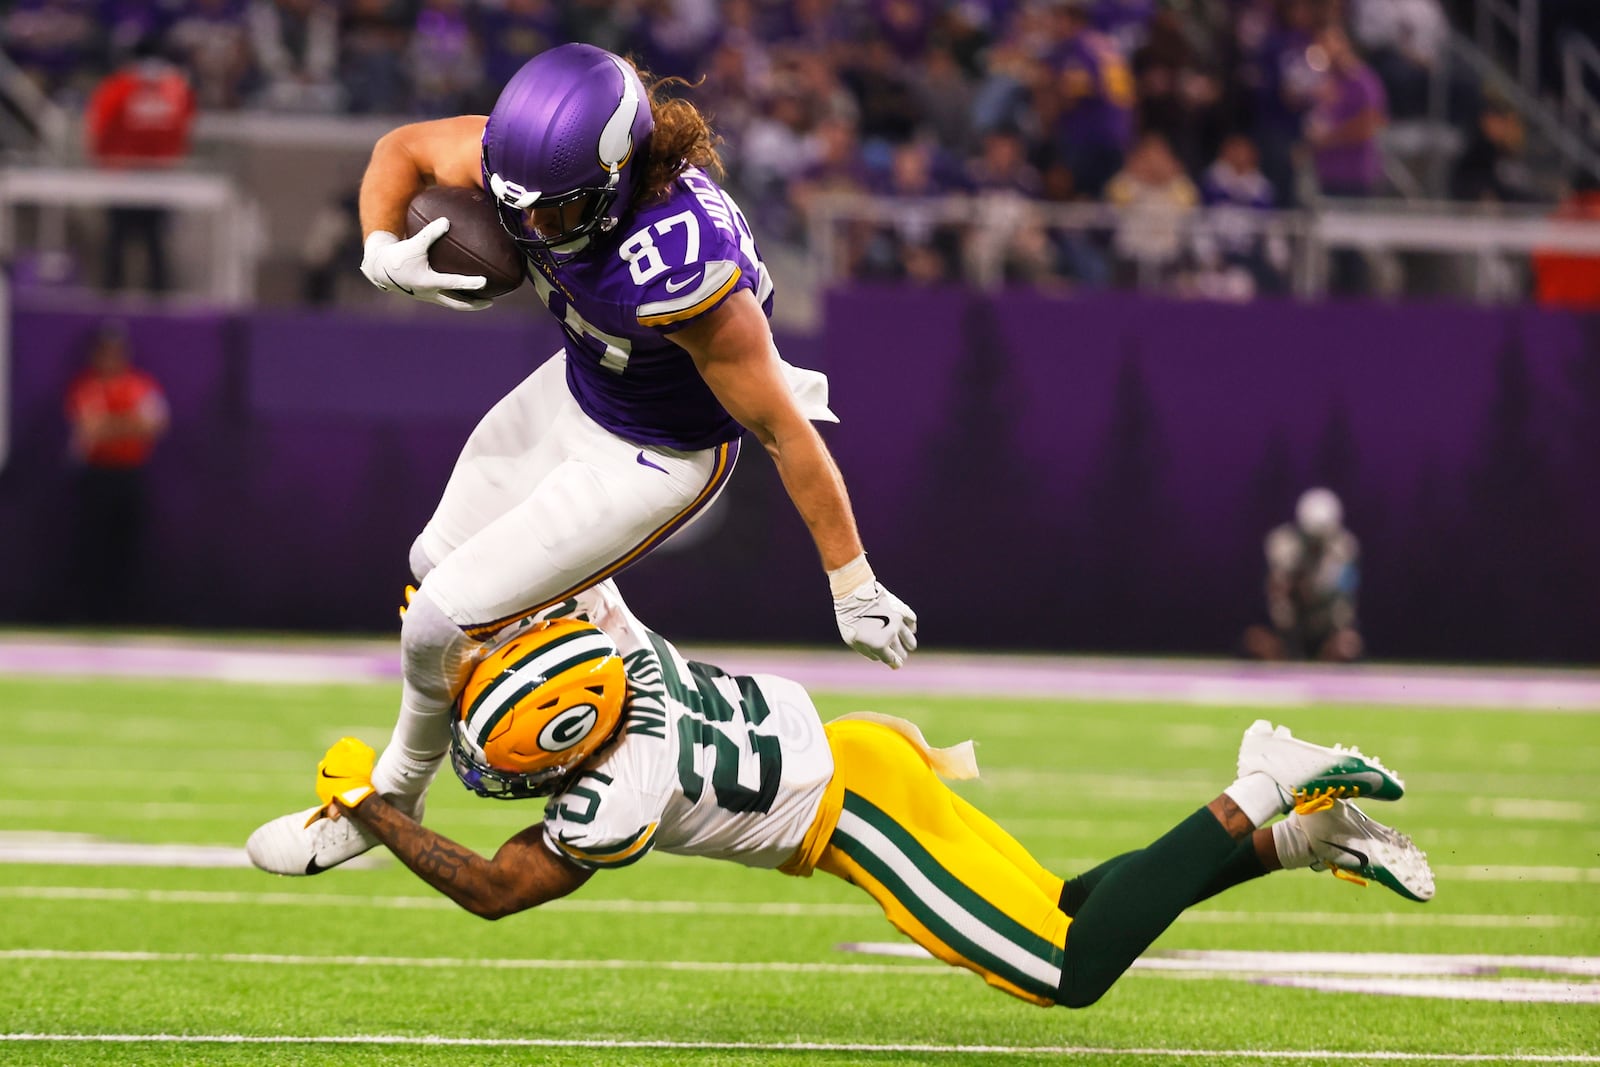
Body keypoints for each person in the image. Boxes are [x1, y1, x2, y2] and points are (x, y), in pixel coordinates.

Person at [247, 43, 916, 878]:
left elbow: (785, 430)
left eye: (554, 214)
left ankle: (393, 798)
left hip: (657, 454)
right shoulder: (531, 162)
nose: (526, 229)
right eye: (512, 203)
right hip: (580, 387)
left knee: (439, 619)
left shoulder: (681, 261)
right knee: (432, 568)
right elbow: (403, 150)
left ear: (615, 178)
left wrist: (851, 580)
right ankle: (588, 643)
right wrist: (380, 247)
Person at [277, 580, 1433, 1011]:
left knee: (1061, 971)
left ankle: (1258, 777)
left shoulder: (617, 789)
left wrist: (378, 808)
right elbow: (521, 575)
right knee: (1065, 906)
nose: (502, 767)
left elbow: (491, 890)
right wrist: (452, 620)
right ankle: (1293, 835)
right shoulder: (606, 628)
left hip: (851, 815)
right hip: (856, 751)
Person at [63, 322, 170, 621]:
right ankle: (91, 614)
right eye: (105, 353)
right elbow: (89, 429)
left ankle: (128, 614)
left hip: (129, 474)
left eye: (115, 352)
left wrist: (112, 425)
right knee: (93, 545)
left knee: (128, 546)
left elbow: (154, 426)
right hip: (97, 475)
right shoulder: (87, 387)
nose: (110, 359)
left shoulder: (139, 385)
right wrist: (129, 424)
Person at [84, 35, 197, 294]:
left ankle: (136, 292)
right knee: (135, 237)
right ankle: (135, 291)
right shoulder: (174, 87)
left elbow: (97, 128)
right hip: (136, 173)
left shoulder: (125, 85)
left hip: (138, 173)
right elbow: (185, 131)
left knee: (140, 237)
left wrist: (102, 160)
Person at [1243, 487, 1363, 662]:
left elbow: (1344, 601)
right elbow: (1276, 594)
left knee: (1349, 645)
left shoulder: (1345, 549)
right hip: (1288, 626)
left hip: (1324, 626)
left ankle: (1323, 672)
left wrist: (1337, 629)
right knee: (1255, 641)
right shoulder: (1281, 544)